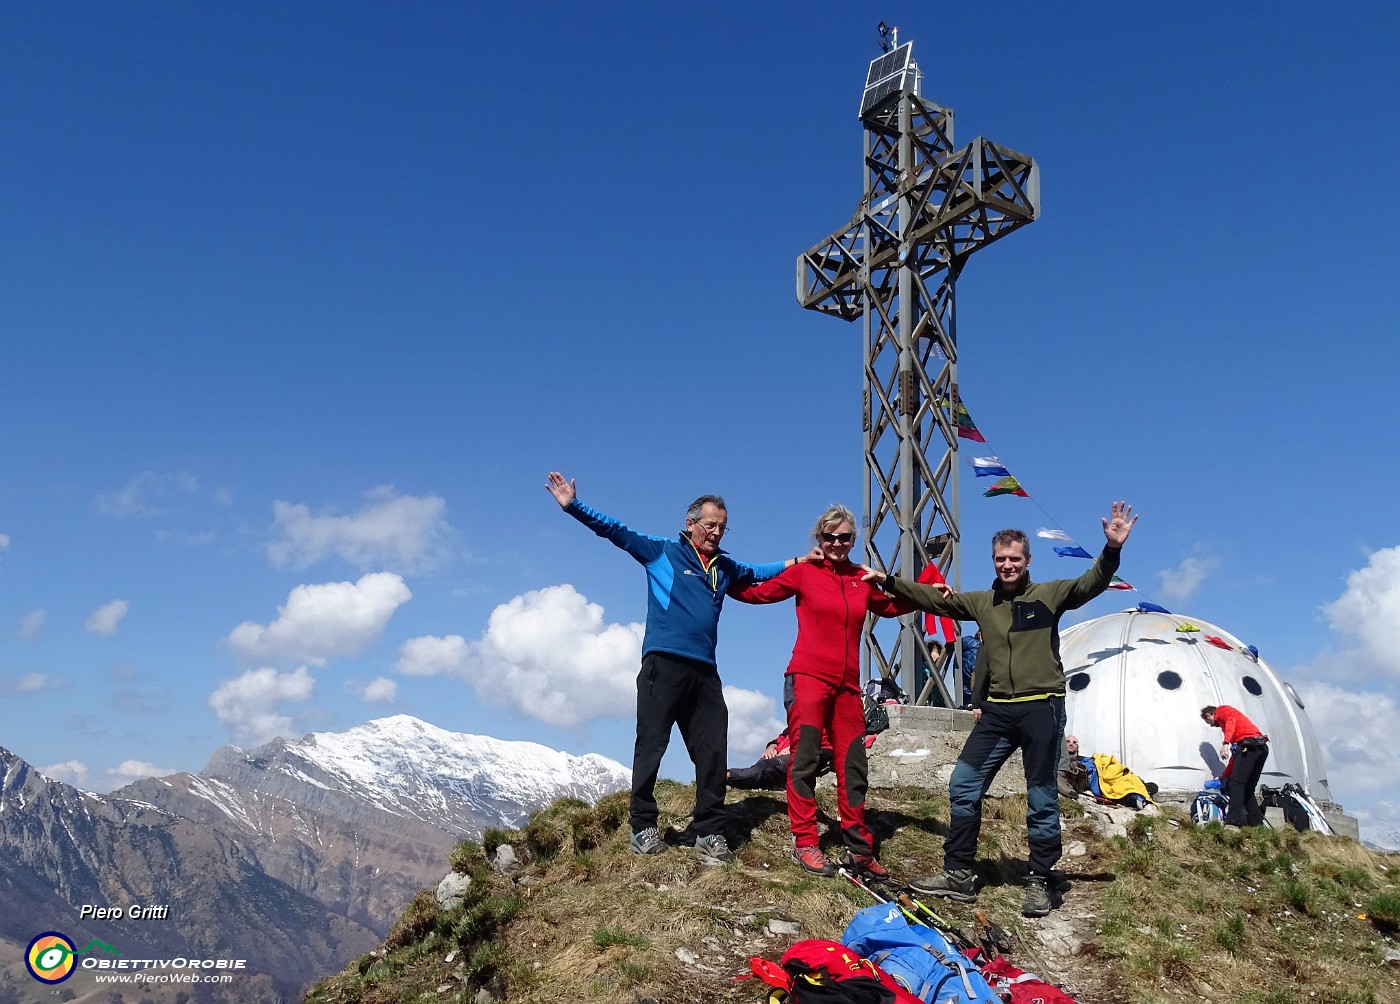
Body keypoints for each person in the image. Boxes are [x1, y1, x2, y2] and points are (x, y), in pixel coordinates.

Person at [863, 501, 1138, 917]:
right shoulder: (980, 603)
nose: (1007, 565)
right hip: (996, 713)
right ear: (993, 561)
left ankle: (1041, 878)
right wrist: (887, 581)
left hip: (1041, 707)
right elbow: (931, 601)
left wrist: (1112, 549)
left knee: (1041, 794)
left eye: (1014, 559)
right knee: (963, 783)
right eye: (1000, 559)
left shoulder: (1049, 595)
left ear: (1028, 561)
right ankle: (958, 874)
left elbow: (1092, 582)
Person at [545, 471, 815, 865]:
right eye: (710, 525)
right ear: (691, 524)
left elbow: (758, 571)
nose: (717, 532)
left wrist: (797, 561)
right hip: (662, 665)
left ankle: (709, 831)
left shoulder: (724, 567)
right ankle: (642, 826)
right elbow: (615, 531)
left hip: (705, 672)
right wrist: (574, 506)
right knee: (651, 746)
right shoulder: (662, 552)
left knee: (711, 752)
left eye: (723, 527)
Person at [729, 504, 911, 879]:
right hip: (807, 678)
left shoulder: (861, 579)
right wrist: (717, 575)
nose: (836, 543)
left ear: (852, 540)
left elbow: (893, 607)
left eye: (844, 538)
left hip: (847, 688)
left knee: (853, 765)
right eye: (829, 537)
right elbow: (753, 594)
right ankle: (806, 842)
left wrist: (930, 593)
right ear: (819, 539)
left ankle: (860, 850)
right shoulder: (804, 573)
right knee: (805, 760)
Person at [1201, 704, 1269, 826]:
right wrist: (1224, 776)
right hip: (1260, 748)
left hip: (1248, 746)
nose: (1211, 725)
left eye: (1209, 722)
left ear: (1209, 715)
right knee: (1247, 788)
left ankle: (1232, 822)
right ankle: (1257, 824)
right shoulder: (1238, 735)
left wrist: (1226, 743)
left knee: (1236, 784)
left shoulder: (1223, 711)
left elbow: (1231, 721)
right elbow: (1236, 757)